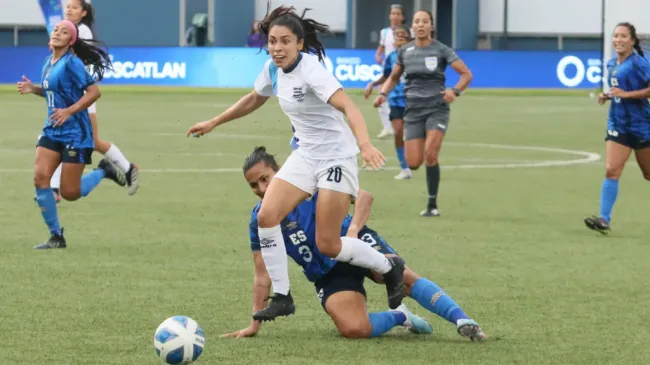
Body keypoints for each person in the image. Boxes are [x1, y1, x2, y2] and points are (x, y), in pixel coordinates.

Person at [187, 5, 405, 322]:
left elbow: (348, 106)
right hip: (305, 155)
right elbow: (253, 98)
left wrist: (366, 143)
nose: (277, 48)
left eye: (285, 41)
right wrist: (214, 122)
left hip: (335, 157)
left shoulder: (312, 70)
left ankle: (389, 267)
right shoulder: (273, 70)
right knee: (267, 216)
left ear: (299, 43)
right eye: (273, 41)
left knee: (328, 244)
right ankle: (283, 296)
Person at [221, 147, 487, 341]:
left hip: (355, 243)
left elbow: (363, 198)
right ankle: (401, 317)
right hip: (328, 273)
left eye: (265, 178)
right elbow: (262, 274)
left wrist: (354, 232)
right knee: (354, 329)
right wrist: (254, 324)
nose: (261, 188)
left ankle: (463, 320)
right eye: (253, 185)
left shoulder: (309, 185)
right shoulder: (261, 220)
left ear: (279, 173)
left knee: (402, 277)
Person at [17, 20, 127, 249]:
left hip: (76, 134)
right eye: (56, 29)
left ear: (71, 41)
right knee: (40, 178)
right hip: (53, 129)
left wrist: (69, 111)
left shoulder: (72, 63)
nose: (57, 33)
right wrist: (34, 89)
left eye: (64, 31)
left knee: (70, 192)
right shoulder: (49, 61)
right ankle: (56, 236)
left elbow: (94, 92)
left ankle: (103, 171)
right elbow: (54, 93)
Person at [375, 10, 473, 217]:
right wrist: (383, 94)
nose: (420, 25)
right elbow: (393, 77)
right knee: (413, 162)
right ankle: (425, 179)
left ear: (431, 26)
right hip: (413, 111)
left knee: (430, 154)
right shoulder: (405, 51)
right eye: (417, 21)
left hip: (437, 108)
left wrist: (454, 91)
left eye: (424, 21)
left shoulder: (442, 50)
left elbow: (466, 74)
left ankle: (432, 205)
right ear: (413, 26)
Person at [47, 0, 139, 200]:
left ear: (83, 12)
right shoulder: (69, 29)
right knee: (76, 140)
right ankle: (125, 167)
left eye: (74, 7)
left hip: (79, 99)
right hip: (70, 97)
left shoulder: (82, 32)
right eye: (68, 6)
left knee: (67, 139)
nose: (69, 9)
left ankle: (55, 189)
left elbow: (76, 64)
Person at [585, 22, 650, 234]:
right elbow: (618, 90)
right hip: (617, 123)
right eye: (616, 36)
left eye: (623, 36)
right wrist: (608, 95)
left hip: (642, 125)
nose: (618, 40)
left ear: (632, 40)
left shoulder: (639, 63)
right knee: (611, 169)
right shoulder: (612, 63)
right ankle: (604, 219)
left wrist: (626, 95)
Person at [365, 24, 411, 180]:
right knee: (398, 132)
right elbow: (387, 77)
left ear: (408, 37)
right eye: (396, 34)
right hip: (396, 99)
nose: (399, 37)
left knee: (414, 134)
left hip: (414, 99)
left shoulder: (416, 54)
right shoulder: (391, 57)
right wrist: (374, 85)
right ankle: (405, 168)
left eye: (402, 34)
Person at [373, 4, 406, 140]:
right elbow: (381, 49)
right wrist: (378, 56)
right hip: (389, 70)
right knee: (382, 96)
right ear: (389, 16)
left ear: (402, 17)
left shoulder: (408, 31)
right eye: (393, 13)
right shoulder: (384, 32)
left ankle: (407, 127)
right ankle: (387, 128)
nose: (395, 16)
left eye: (398, 14)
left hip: (403, 71)